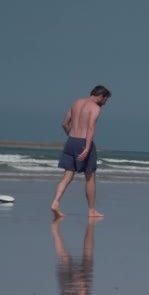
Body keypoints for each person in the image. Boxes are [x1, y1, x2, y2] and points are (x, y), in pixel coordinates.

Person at [50, 85, 111, 219]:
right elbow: (90, 128)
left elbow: (65, 123)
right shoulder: (95, 108)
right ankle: (91, 210)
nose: (105, 103)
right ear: (101, 96)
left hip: (71, 140)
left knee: (67, 176)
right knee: (90, 178)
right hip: (84, 141)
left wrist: (72, 138)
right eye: (106, 100)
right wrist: (87, 147)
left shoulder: (76, 103)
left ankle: (55, 202)